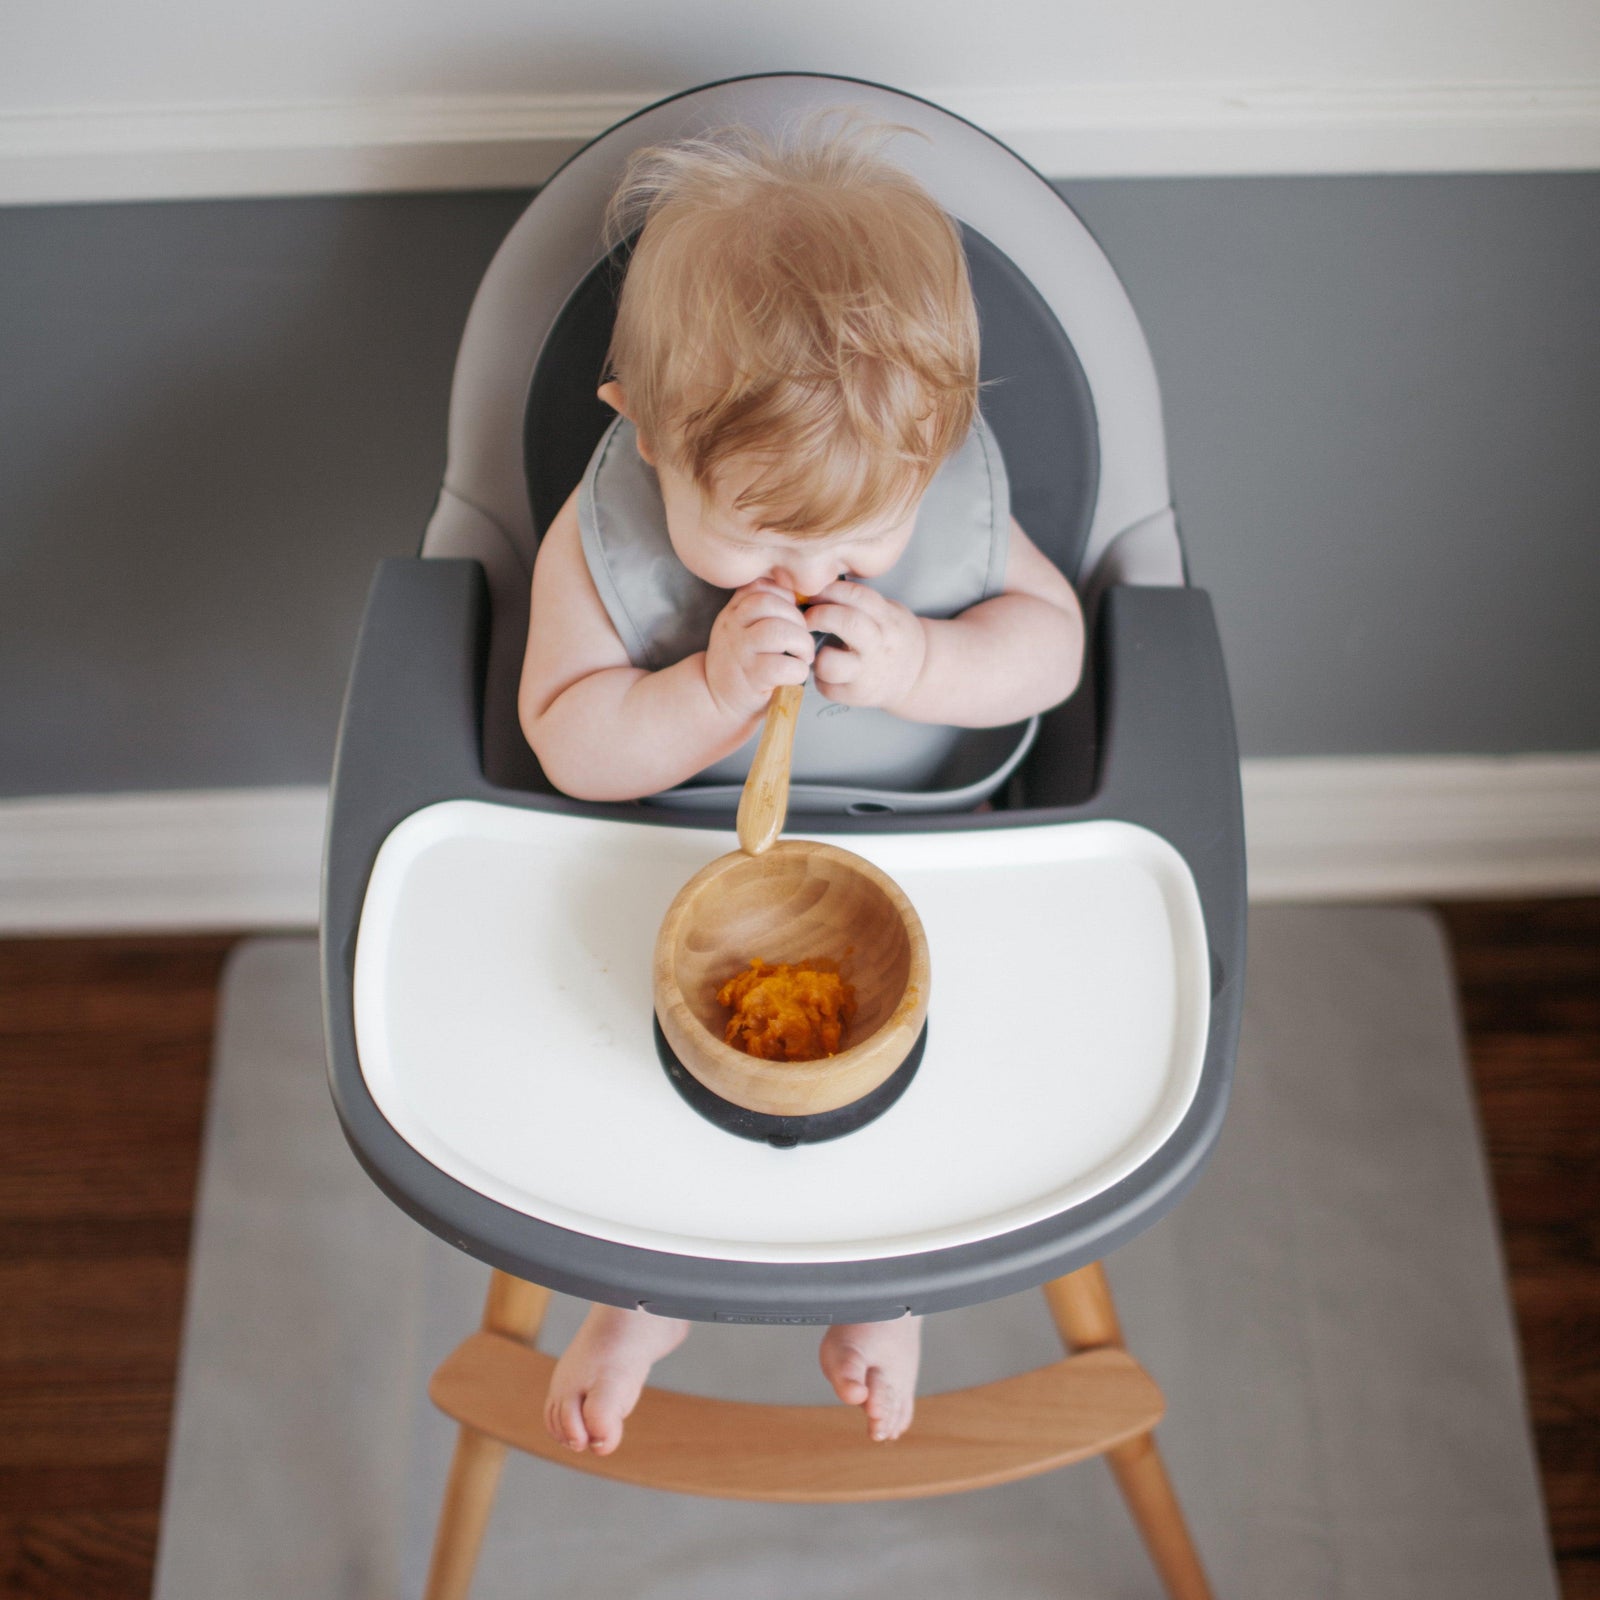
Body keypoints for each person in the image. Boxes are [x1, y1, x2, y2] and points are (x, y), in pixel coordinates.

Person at [517, 116, 1085, 1455]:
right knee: (632, 1093)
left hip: (923, 855)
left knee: (937, 1083)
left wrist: (926, 660)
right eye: (764, 536)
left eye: (862, 540)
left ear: (937, 448)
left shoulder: (944, 494)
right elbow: (568, 741)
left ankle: (888, 1289)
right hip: (675, 864)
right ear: (646, 439)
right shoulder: (601, 542)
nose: (816, 574)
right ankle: (640, 1296)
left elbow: (1052, 654)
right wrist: (706, 693)